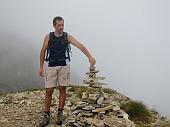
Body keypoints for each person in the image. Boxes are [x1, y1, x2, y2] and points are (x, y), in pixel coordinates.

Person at [39, 16, 96, 127]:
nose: (61, 27)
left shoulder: (67, 37)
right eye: (59, 25)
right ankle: (46, 115)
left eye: (62, 25)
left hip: (64, 66)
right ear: (54, 26)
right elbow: (42, 52)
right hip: (51, 65)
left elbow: (80, 45)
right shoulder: (48, 37)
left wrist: (89, 56)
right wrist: (41, 67)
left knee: (62, 89)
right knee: (49, 90)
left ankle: (60, 113)